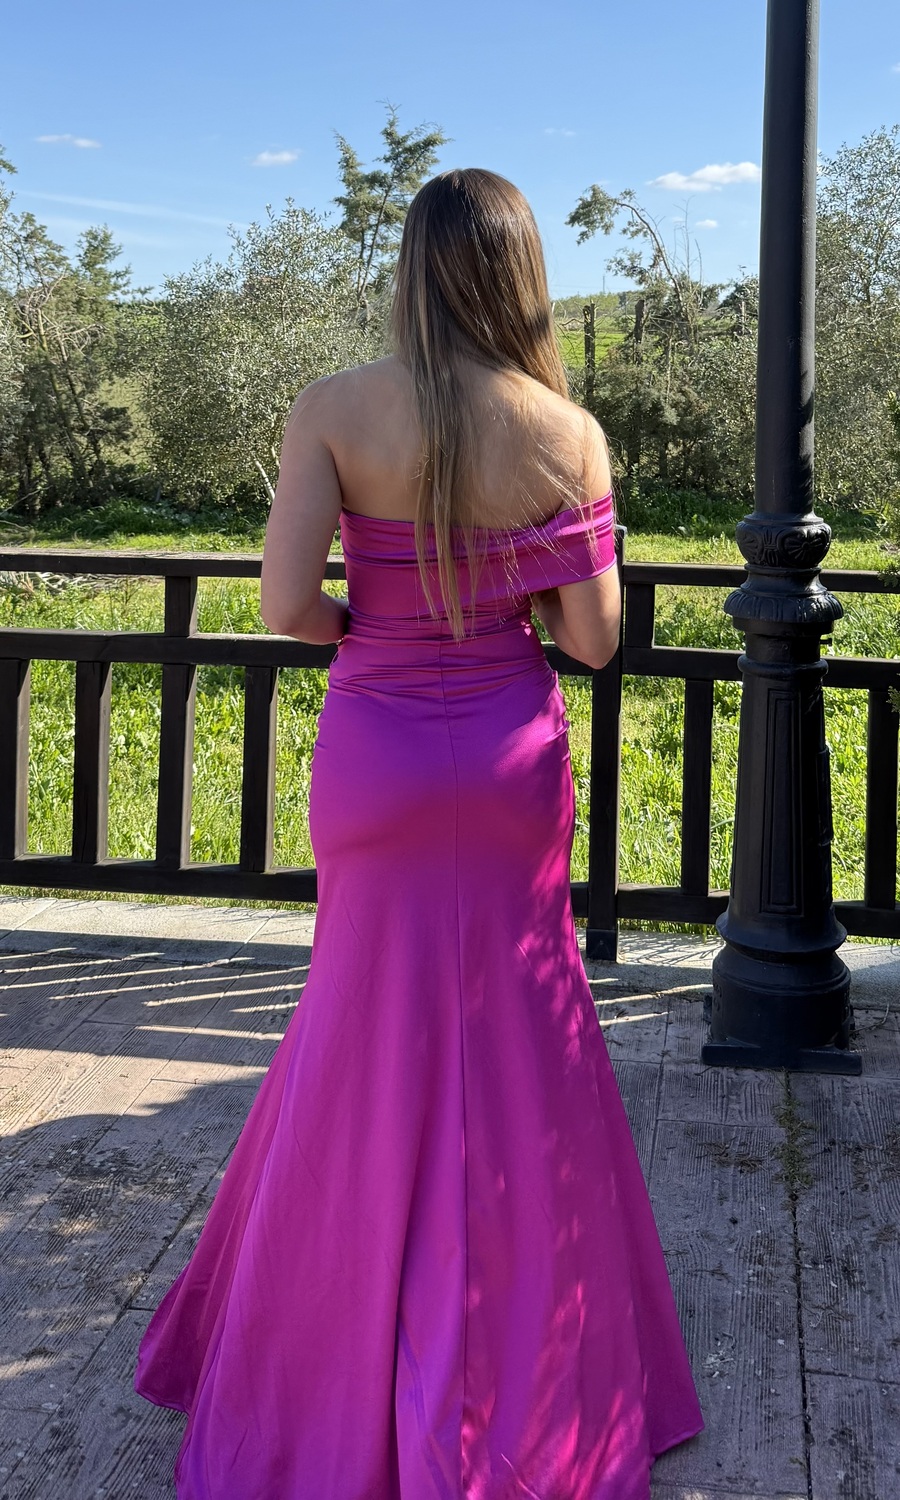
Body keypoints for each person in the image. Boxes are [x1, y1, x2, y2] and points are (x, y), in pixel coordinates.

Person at [134, 167, 703, 1498]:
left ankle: (316, 1373)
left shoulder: (334, 409)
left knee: (356, 1029)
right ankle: (528, 1373)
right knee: (524, 1037)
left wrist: (379, 630)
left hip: (377, 753)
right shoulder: (569, 433)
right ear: (521, 279)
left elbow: (287, 607)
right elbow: (595, 641)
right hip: (507, 761)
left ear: (412, 270)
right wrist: (509, 599)